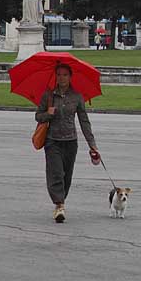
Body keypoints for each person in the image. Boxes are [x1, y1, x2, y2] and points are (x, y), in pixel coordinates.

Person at [34, 64, 99, 223]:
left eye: (64, 75)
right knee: (55, 173)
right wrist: (48, 114)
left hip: (70, 141)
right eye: (59, 74)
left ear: (70, 77)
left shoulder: (77, 97)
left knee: (66, 176)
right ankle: (59, 205)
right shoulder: (48, 96)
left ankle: (61, 200)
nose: (61, 78)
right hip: (52, 141)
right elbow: (38, 116)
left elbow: (84, 121)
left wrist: (92, 144)